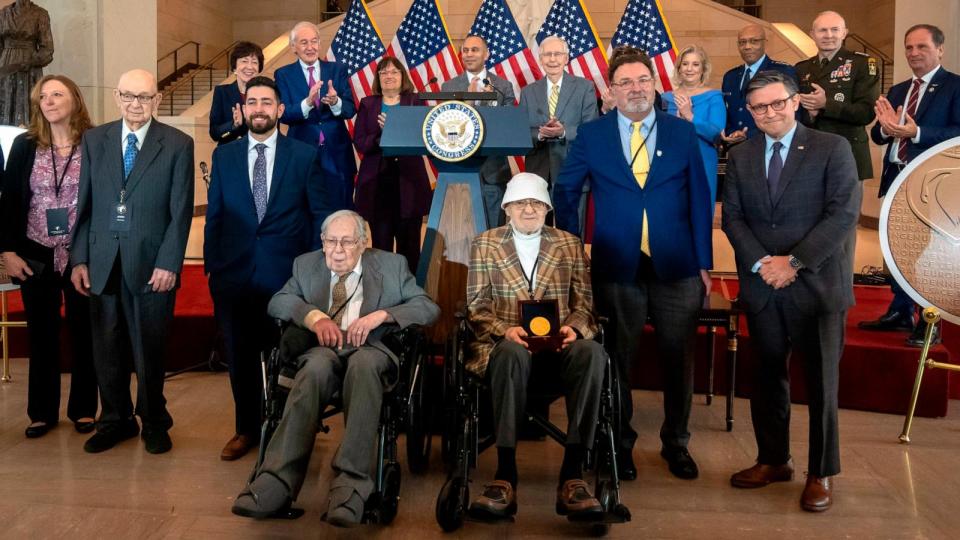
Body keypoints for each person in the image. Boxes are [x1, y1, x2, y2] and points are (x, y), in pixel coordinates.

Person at [554, 47, 713, 482]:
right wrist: (573, 248)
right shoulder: (592, 134)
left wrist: (704, 262)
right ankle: (618, 444)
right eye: (625, 82)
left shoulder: (682, 133)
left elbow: (700, 197)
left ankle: (676, 443)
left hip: (678, 265)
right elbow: (566, 191)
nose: (635, 88)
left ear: (655, 85)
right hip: (616, 266)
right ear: (611, 91)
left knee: (678, 359)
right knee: (617, 361)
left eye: (643, 80)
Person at [231, 210, 439, 528]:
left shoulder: (391, 265)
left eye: (346, 242)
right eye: (330, 241)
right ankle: (275, 482)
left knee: (364, 366)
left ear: (363, 243)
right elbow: (279, 301)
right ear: (322, 242)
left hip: (370, 351)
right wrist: (314, 317)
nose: (337, 250)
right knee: (313, 370)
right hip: (322, 351)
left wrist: (381, 315)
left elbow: (427, 307)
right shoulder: (306, 264)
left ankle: (351, 487)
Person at [722, 70, 861, 513]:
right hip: (764, 287)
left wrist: (793, 263)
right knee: (766, 381)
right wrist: (765, 263)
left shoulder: (831, 148)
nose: (770, 113)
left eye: (777, 103)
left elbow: (842, 215)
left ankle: (820, 472)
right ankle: (773, 460)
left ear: (795, 101)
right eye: (759, 107)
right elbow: (733, 219)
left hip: (816, 288)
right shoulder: (742, 155)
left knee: (821, 385)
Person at [464, 173, 605, 522]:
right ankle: (505, 474)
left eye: (537, 203)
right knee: (510, 352)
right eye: (521, 203)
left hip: (559, 349)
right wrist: (504, 330)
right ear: (507, 208)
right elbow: (477, 307)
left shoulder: (568, 244)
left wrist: (575, 328)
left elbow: (585, 304)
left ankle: (572, 474)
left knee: (592, 353)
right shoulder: (485, 243)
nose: (529, 209)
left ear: (547, 208)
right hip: (505, 349)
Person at [205, 76, 331, 461]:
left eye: (267, 102)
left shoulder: (303, 155)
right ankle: (246, 429)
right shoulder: (224, 156)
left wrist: (313, 275)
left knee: (287, 357)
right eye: (252, 102)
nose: (259, 109)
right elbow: (216, 215)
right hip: (234, 274)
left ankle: (286, 429)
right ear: (243, 110)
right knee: (240, 356)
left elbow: (319, 216)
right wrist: (213, 267)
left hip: (286, 278)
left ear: (279, 110)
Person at [69, 69, 194, 455]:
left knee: (149, 347)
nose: (136, 105)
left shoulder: (177, 144)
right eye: (128, 96)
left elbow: (181, 211)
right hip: (103, 260)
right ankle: (115, 420)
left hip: (152, 265)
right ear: (116, 96)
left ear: (157, 100)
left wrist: (170, 263)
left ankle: (154, 419)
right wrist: (79, 258)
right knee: (106, 347)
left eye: (144, 97)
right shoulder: (95, 140)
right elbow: (85, 203)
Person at [0, 75, 97, 439]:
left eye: (58, 94)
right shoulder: (25, 146)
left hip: (80, 253)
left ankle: (84, 409)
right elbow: (9, 200)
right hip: (34, 253)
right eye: (43, 96)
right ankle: (41, 412)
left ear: (75, 98)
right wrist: (6, 251)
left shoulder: (94, 142)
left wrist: (90, 253)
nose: (50, 101)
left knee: (83, 331)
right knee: (41, 334)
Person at [858, 24, 960, 346]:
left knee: (926, 255)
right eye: (909, 48)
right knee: (896, 251)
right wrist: (888, 130)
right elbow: (877, 134)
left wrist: (916, 133)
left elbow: (957, 133)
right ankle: (901, 311)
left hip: (930, 183)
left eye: (922, 47)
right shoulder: (899, 90)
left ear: (940, 49)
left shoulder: (954, 87)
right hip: (895, 177)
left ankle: (930, 320)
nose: (914, 53)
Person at [353, 57, 430, 273]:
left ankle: (412, 298)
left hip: (409, 183)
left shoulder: (415, 101)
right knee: (381, 248)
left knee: (411, 248)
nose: (389, 76)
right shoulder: (368, 104)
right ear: (378, 78)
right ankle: (382, 297)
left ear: (402, 76)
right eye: (383, 72)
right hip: (377, 184)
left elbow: (423, 138)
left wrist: (396, 128)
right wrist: (382, 133)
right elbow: (360, 142)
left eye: (394, 72)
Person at [274, 21, 356, 209]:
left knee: (341, 211)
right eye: (304, 42)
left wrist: (336, 103)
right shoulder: (283, 75)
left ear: (320, 43)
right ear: (293, 47)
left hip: (337, 154)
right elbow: (283, 114)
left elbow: (350, 109)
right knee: (303, 211)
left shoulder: (337, 70)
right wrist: (308, 103)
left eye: (314, 41)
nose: (310, 47)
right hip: (301, 153)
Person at [518, 35, 597, 227]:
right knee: (538, 235)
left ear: (566, 58)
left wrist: (563, 132)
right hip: (538, 174)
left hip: (572, 171)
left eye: (557, 54)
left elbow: (592, 129)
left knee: (570, 237)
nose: (552, 59)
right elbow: (520, 132)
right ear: (540, 59)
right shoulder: (529, 91)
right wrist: (540, 134)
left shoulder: (584, 87)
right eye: (547, 55)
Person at [441, 35, 516, 229]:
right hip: (460, 172)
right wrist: (469, 104)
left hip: (494, 173)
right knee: (461, 235)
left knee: (494, 234)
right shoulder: (448, 87)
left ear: (486, 54)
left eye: (474, 50)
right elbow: (446, 130)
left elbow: (508, 127)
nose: (469, 54)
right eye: (465, 50)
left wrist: (488, 107)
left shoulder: (503, 87)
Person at [795, 10, 879, 181]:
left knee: (848, 208)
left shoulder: (862, 64)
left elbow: (866, 113)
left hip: (849, 151)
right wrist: (809, 115)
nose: (829, 35)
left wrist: (826, 104)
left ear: (844, 33)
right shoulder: (801, 68)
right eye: (822, 30)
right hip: (810, 152)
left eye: (835, 29)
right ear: (812, 34)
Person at [662, 45, 725, 206]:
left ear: (703, 69)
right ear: (679, 68)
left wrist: (690, 116)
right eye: (685, 64)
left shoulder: (714, 97)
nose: (689, 69)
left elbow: (715, 133)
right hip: (670, 165)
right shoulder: (665, 98)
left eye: (695, 64)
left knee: (700, 214)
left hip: (702, 162)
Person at [720, 23, 797, 145]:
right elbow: (727, 114)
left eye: (754, 41)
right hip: (735, 148)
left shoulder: (782, 71)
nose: (747, 46)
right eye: (742, 42)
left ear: (764, 43)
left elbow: (793, 115)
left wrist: (748, 135)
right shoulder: (730, 77)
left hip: (769, 144)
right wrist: (731, 133)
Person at [0, 0, 54, 126]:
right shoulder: (4, 14)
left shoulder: (40, 14)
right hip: (6, 66)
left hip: (30, 69)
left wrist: (30, 62)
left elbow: (47, 49)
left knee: (29, 104)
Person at [208, 41, 264, 146]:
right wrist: (233, 125)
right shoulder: (222, 92)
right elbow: (214, 133)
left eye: (254, 62)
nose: (250, 67)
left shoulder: (266, 94)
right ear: (234, 68)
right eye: (244, 61)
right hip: (230, 154)